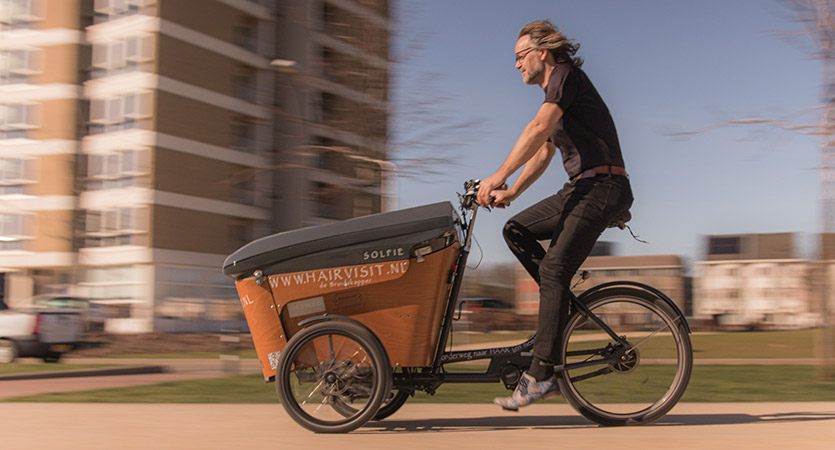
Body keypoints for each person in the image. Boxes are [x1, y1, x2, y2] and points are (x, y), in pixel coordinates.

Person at [477, 19, 634, 411]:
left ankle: (541, 374)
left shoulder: (565, 76)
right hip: (580, 187)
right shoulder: (557, 92)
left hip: (603, 187)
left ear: (541, 53)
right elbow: (544, 150)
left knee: (552, 271)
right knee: (517, 229)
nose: (516, 65)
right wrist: (512, 191)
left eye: (520, 56)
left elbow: (538, 128)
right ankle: (558, 297)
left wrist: (498, 174)